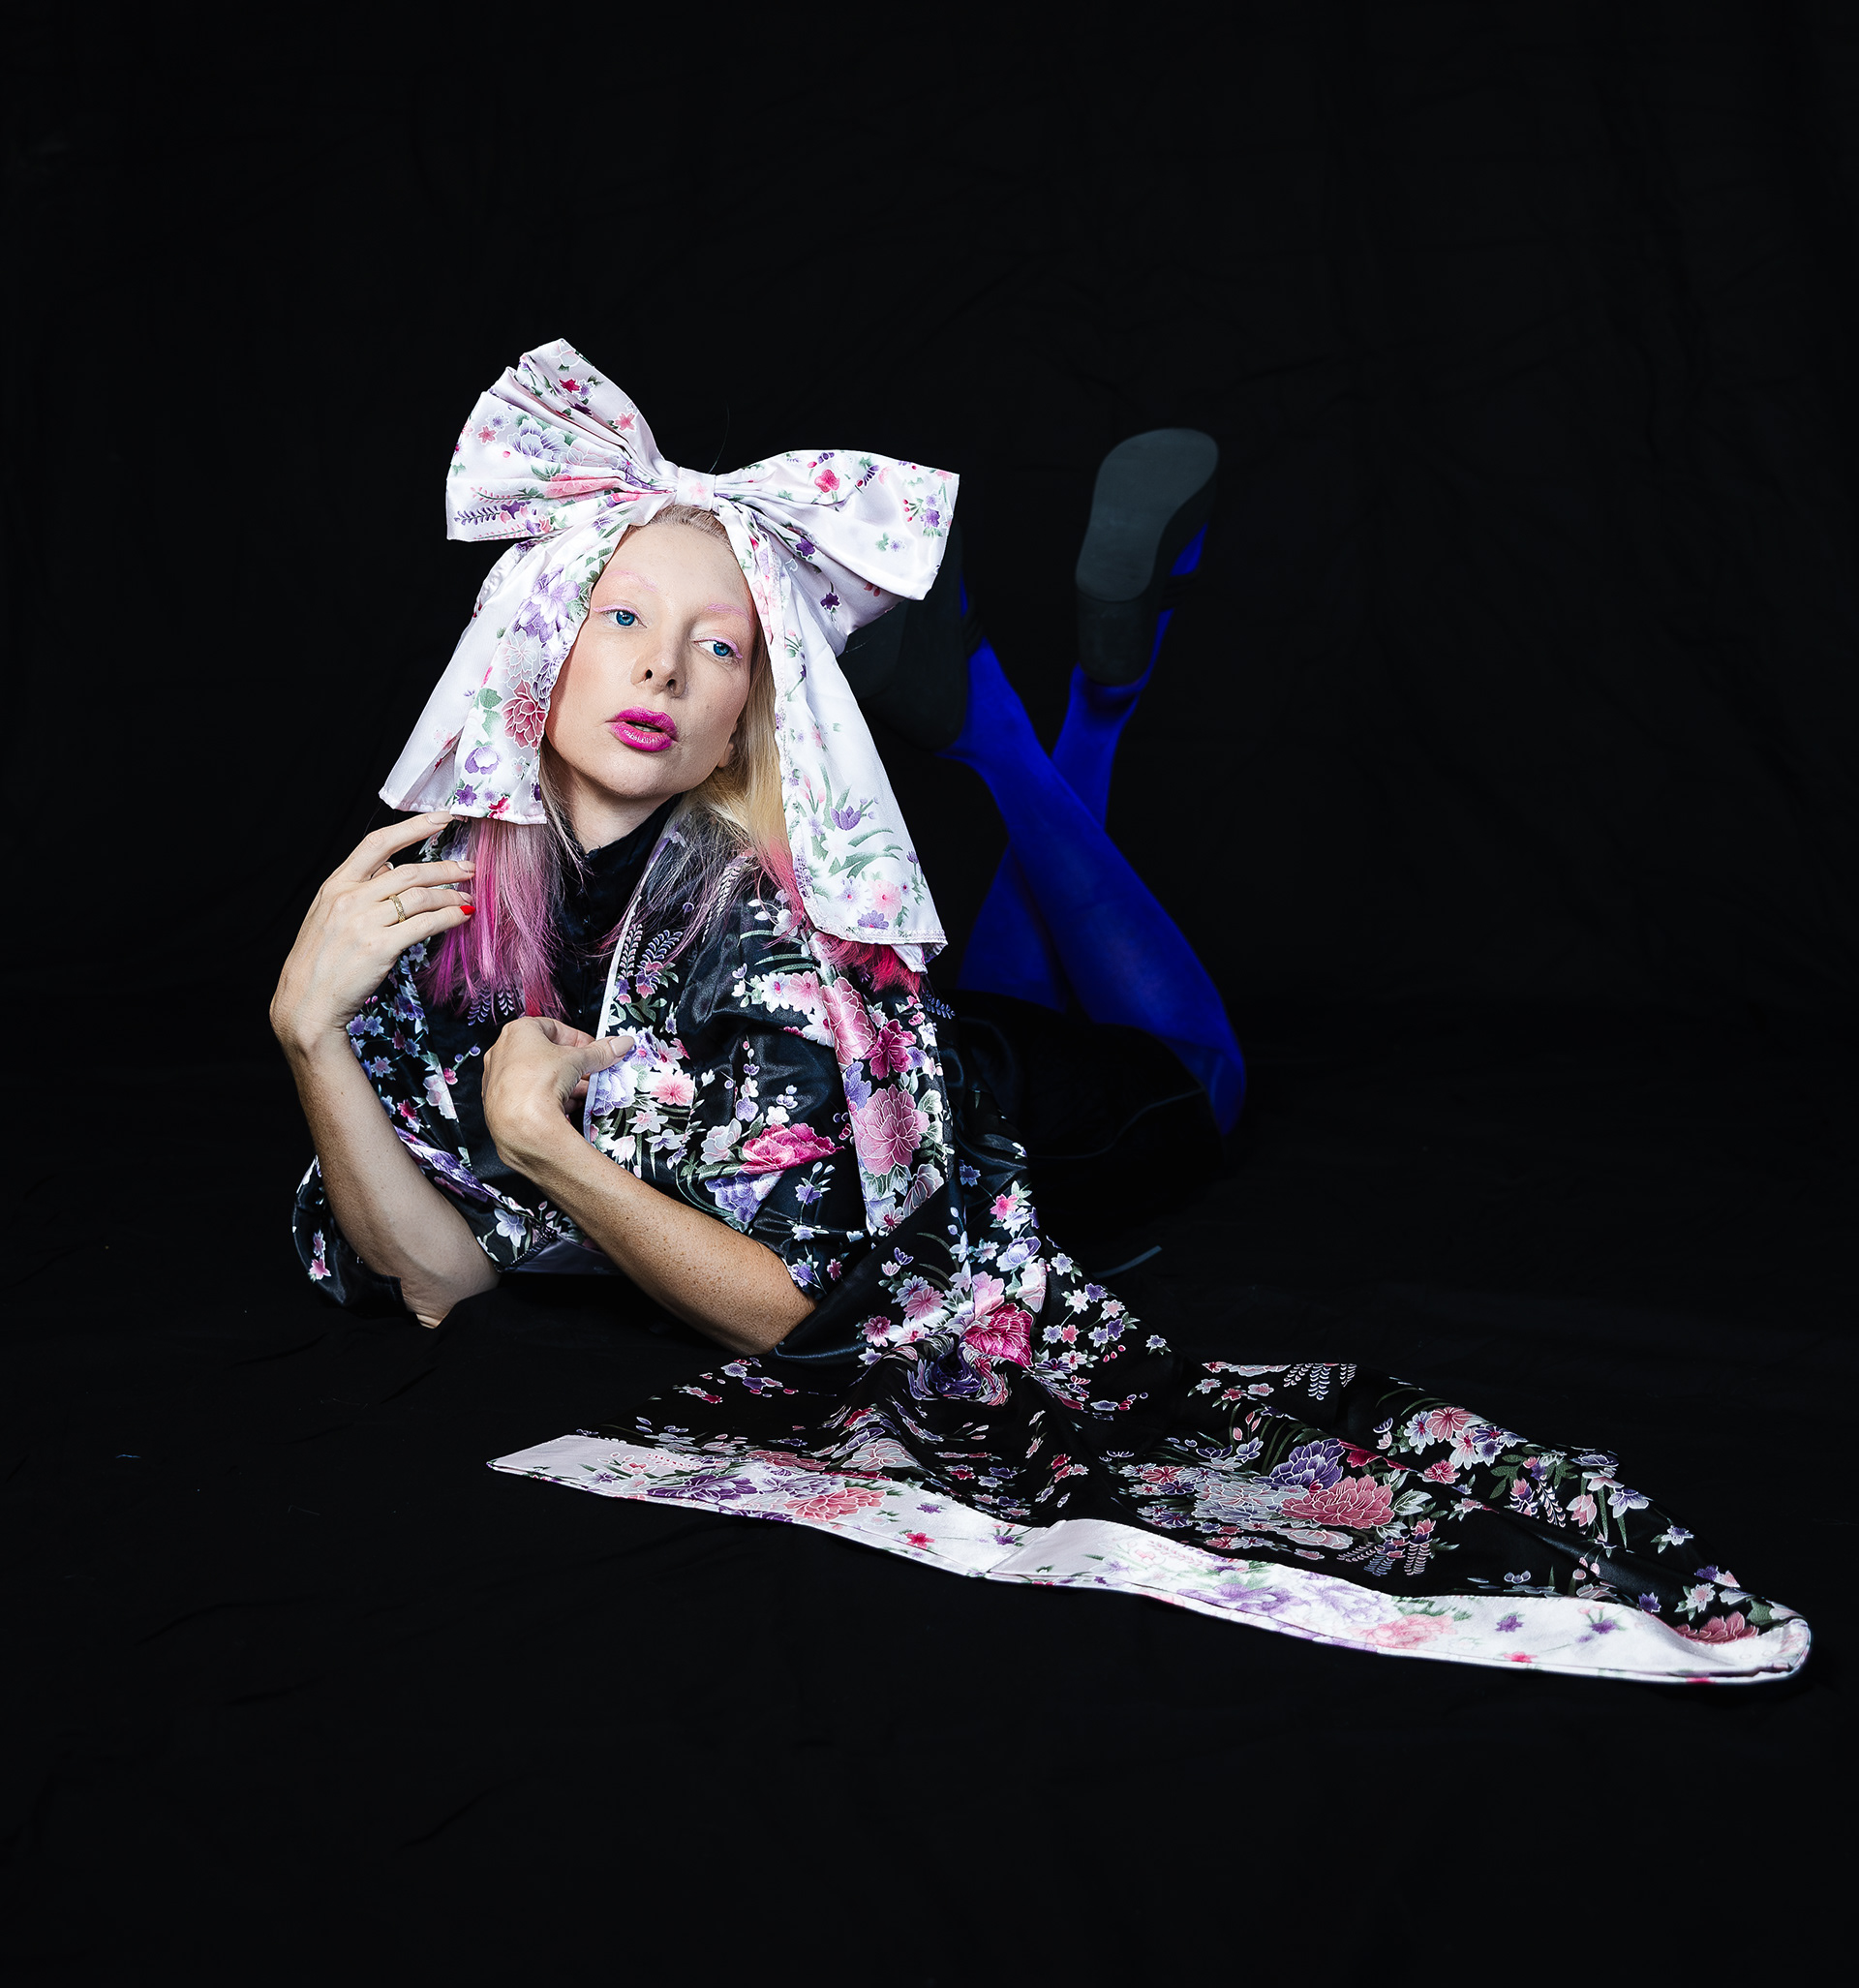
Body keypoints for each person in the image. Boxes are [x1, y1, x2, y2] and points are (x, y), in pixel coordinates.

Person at [273, 341, 1807, 1685]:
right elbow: (434, 1280)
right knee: (986, 1000)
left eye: (719, 642)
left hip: (1049, 1121)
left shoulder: (778, 932)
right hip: (933, 1053)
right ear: (538, 639)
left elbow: (792, 1311)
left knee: (1193, 1072)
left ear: (751, 717)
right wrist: (309, 1032)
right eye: (622, 617)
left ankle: (1028, 726)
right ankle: (1049, 709)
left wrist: (547, 1147)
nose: (664, 666)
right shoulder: (435, 904)